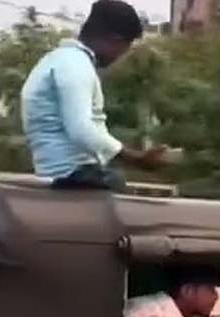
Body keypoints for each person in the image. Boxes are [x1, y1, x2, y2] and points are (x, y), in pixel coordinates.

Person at [21, 0, 168, 192]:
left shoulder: (56, 61)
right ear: (115, 39)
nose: (121, 56)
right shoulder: (76, 66)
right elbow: (82, 130)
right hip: (74, 175)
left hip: (57, 172)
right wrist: (137, 159)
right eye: (126, 46)